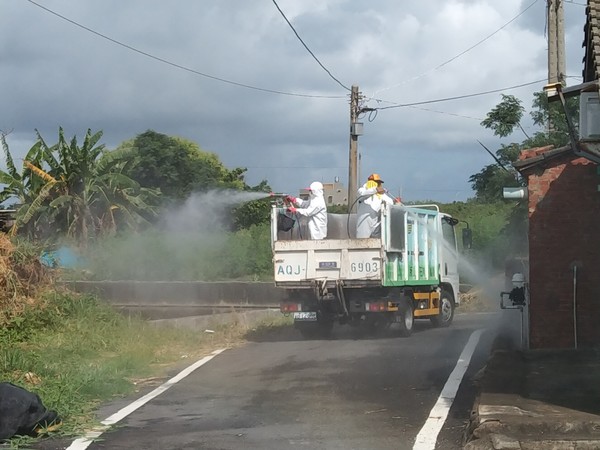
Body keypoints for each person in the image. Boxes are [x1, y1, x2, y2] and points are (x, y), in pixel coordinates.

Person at [356, 173, 395, 238]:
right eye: (375, 182)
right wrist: (375, 190)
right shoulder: (364, 192)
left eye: (378, 182)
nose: (377, 184)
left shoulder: (382, 196)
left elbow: (390, 203)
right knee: (362, 241)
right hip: (364, 222)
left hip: (377, 223)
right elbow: (361, 193)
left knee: (376, 241)